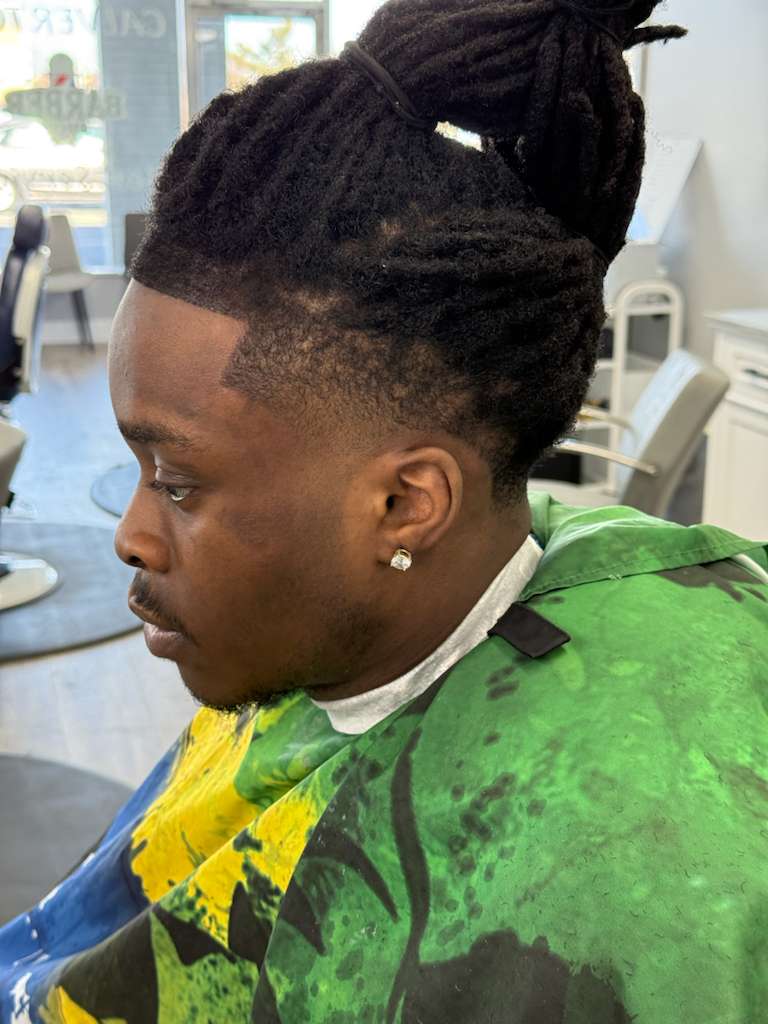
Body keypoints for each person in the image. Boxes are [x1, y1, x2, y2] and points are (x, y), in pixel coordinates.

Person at [2, 0, 767, 1020]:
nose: (131, 536)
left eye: (177, 484)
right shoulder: (345, 634)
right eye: (137, 469)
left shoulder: (619, 872)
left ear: (407, 504)